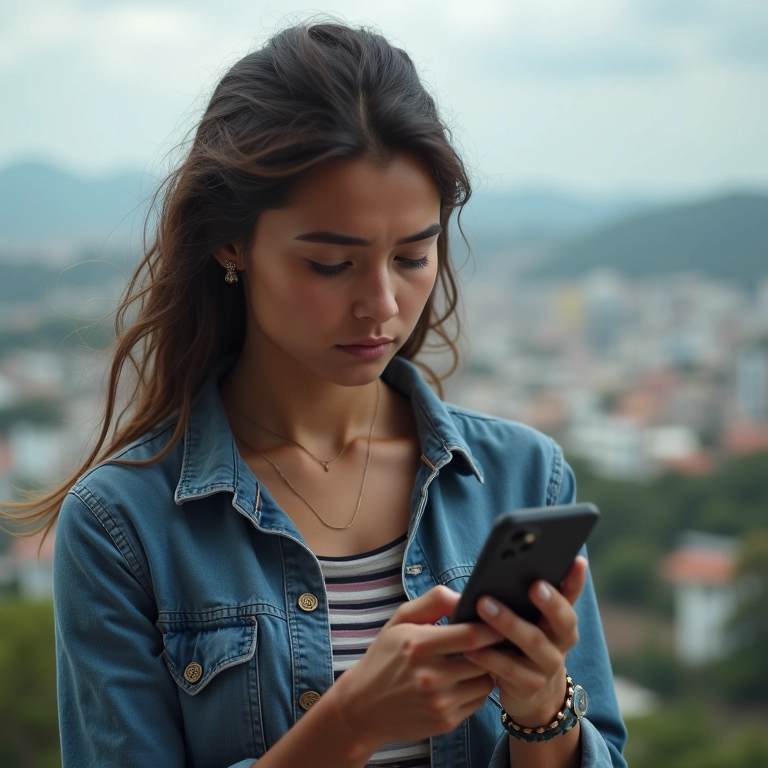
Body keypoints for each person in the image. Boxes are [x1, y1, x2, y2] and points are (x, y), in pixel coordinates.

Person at [5, 20, 627, 768]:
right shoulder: (124, 527)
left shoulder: (523, 477)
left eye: (412, 256)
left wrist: (540, 707)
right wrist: (349, 723)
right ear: (230, 243)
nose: (383, 304)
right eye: (332, 263)